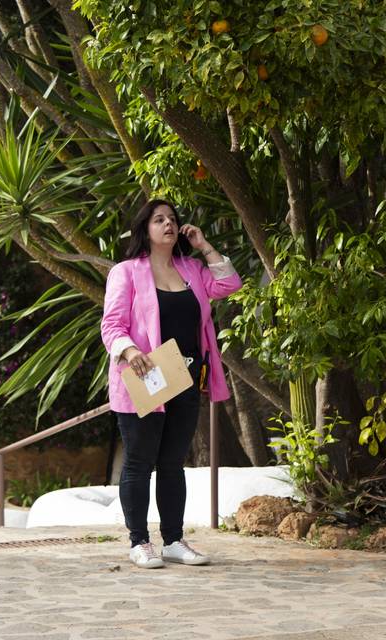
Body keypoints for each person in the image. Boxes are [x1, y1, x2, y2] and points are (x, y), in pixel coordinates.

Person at [100, 199, 242, 569]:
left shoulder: (192, 269)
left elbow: (229, 283)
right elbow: (111, 325)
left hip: (186, 378)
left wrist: (205, 246)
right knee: (138, 462)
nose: (168, 224)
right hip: (146, 377)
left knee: (172, 463)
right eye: (159, 219)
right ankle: (139, 542)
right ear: (144, 228)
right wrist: (130, 352)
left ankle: (174, 540)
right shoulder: (126, 272)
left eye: (173, 219)